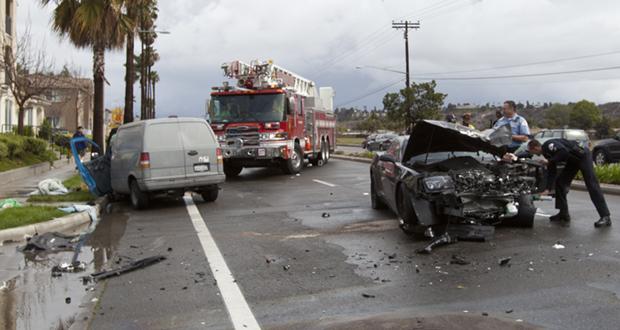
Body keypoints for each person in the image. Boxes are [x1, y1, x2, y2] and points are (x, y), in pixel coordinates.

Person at [521, 138, 611, 228]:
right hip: (573, 160)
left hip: (583, 155)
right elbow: (552, 171)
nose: (532, 154)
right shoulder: (546, 153)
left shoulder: (549, 145)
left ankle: (605, 217)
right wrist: (547, 189)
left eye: (531, 151)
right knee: (560, 183)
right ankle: (563, 214)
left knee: (592, 185)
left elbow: (563, 152)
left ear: (536, 147)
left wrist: (549, 161)